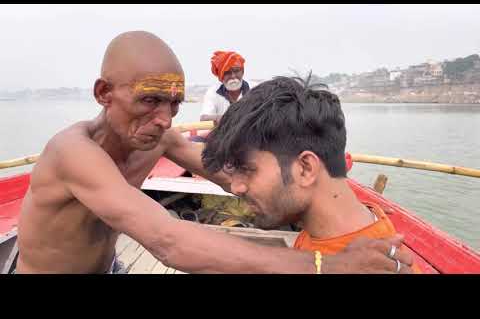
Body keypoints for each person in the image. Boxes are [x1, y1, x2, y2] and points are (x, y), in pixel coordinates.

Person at [16, 31, 413, 274]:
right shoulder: (73, 152)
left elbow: (230, 177)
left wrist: (318, 197)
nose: (164, 119)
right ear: (104, 93)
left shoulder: (161, 139)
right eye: (150, 100)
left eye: (173, 105)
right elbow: (168, 240)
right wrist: (330, 265)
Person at [202, 75, 420, 273]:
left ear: (306, 168)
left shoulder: (376, 267)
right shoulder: (332, 228)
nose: (235, 186)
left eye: (247, 169)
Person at [199, 51, 250, 124]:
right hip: (224, 134)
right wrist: (221, 118)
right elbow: (203, 118)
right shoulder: (213, 92)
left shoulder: (255, 88)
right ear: (221, 76)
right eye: (227, 73)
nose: (233, 76)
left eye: (236, 71)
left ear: (242, 72)